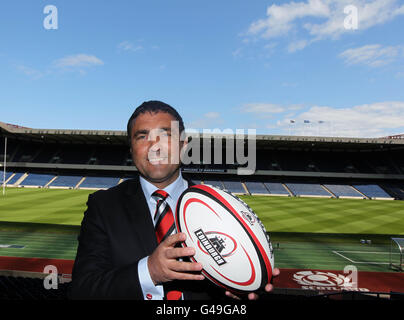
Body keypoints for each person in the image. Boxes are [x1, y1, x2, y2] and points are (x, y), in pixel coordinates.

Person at [68, 100, 278, 300]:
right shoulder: (103, 206)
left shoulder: (219, 209)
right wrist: (149, 272)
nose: (154, 146)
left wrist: (239, 288)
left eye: (165, 135)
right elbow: (82, 290)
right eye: (142, 136)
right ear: (131, 151)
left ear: (184, 145)